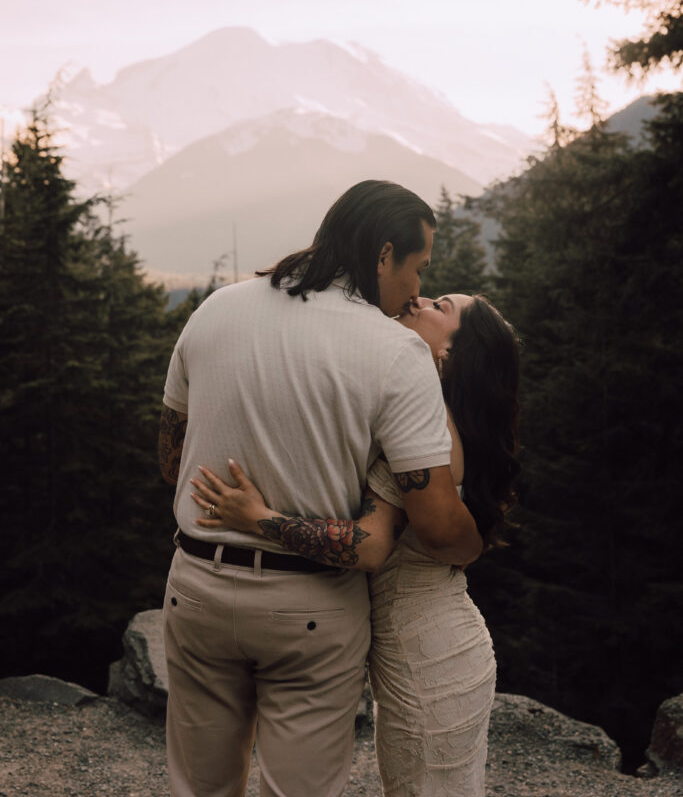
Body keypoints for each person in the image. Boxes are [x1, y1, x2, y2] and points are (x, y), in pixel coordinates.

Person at [158, 181, 483, 797]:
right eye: (418, 269)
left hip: (195, 587)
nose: (417, 288)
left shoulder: (215, 310)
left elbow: (172, 457)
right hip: (309, 609)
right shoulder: (394, 352)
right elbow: (438, 526)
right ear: (384, 255)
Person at [191, 293, 520, 797]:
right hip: (429, 638)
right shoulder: (429, 412)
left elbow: (368, 547)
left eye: (440, 305)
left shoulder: (430, 427)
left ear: (452, 353)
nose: (419, 299)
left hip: (430, 653)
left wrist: (259, 518)